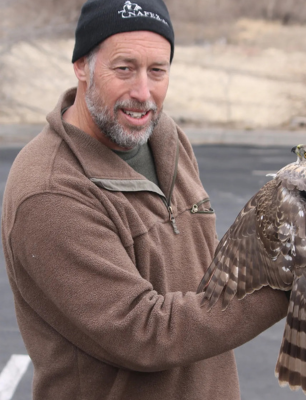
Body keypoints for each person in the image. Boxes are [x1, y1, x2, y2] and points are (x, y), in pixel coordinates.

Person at [1, 1, 288, 399]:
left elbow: (207, 266)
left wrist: (283, 247)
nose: (143, 93)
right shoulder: (50, 191)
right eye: (124, 68)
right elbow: (144, 332)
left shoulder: (165, 139)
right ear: (82, 66)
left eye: (157, 71)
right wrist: (286, 287)